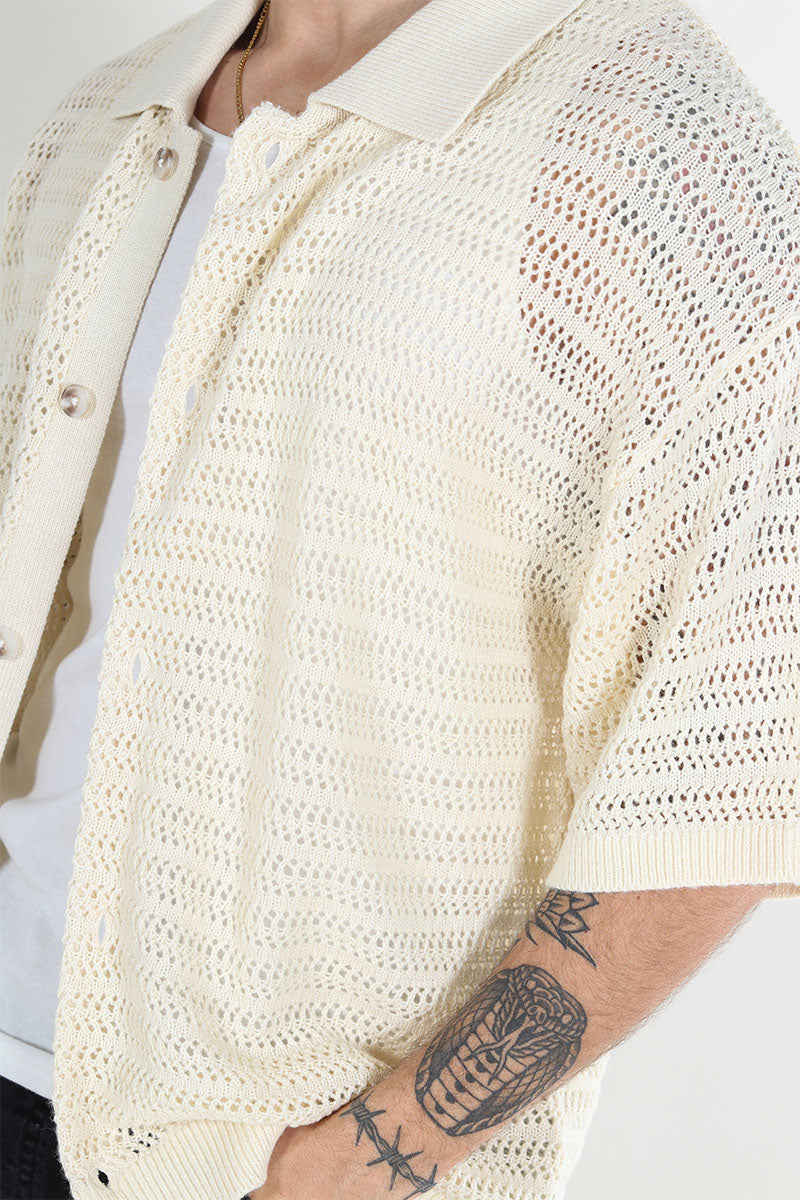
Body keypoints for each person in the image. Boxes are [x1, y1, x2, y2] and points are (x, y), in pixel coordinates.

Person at [0, 0, 798, 1197]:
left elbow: (741, 738)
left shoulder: (646, 130)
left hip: (270, 1155)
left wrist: (369, 1162)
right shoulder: (111, 114)